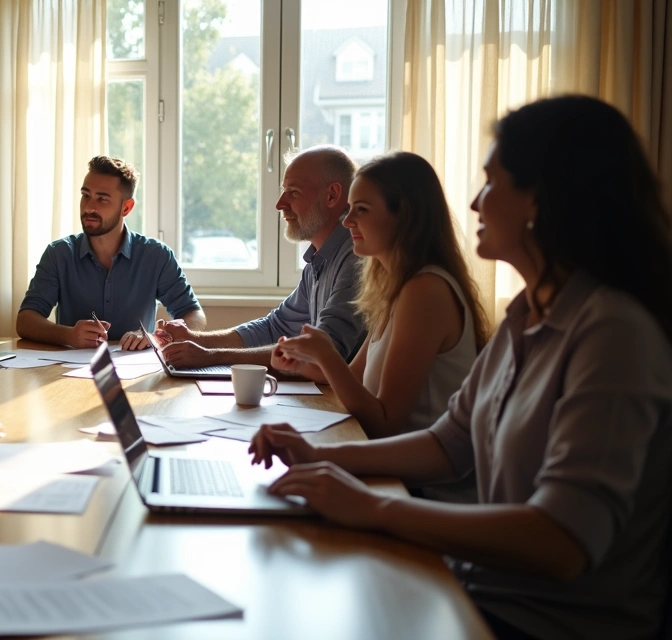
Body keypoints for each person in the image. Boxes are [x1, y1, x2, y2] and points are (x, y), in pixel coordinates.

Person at [250, 96, 672, 639]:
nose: (474, 202)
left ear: (541, 200)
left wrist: (374, 507)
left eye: (492, 183)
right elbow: (451, 443)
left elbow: (564, 542)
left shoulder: (613, 332)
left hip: (540, 623)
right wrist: (324, 456)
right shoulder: (528, 314)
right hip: (481, 590)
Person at [269, 152, 489, 502]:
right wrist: (309, 361)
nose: (347, 221)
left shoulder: (426, 291)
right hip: (390, 471)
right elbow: (352, 379)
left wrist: (326, 358)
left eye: (362, 210)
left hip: (423, 491)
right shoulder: (396, 287)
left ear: (405, 217)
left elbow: (384, 423)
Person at [156, 146, 366, 371]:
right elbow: (275, 327)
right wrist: (196, 339)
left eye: (293, 192)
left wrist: (210, 356)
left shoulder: (356, 258)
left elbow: (326, 350)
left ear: (332, 195)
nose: (280, 204)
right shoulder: (318, 260)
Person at [16, 155, 206, 350]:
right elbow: (26, 320)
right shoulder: (58, 254)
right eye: (86, 195)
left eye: (102, 199)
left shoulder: (157, 256)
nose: (89, 207)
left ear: (126, 207)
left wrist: (156, 337)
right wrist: (68, 335)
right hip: (66, 373)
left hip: (138, 373)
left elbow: (194, 315)